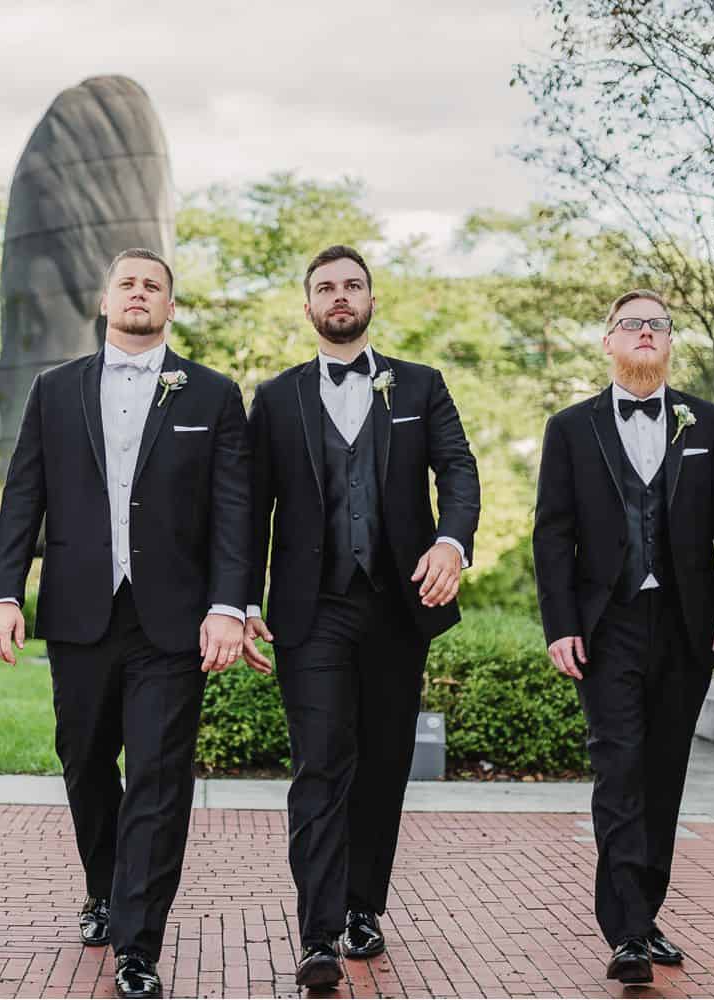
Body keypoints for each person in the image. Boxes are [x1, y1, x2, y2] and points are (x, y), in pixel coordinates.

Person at [0, 248, 250, 1000]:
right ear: (106, 301)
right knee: (84, 759)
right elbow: (23, 498)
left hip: (174, 620)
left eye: (153, 285)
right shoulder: (55, 390)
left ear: (170, 305)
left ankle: (138, 943)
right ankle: (104, 887)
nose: (139, 293)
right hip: (78, 611)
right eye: (128, 283)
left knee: (160, 778)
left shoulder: (212, 394)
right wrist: (5, 592)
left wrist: (229, 605)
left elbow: (235, 509)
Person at [242, 245, 480, 989]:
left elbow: (460, 470)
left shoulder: (421, 385)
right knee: (319, 763)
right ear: (308, 305)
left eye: (351, 286)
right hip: (311, 612)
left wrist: (452, 540)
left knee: (382, 764)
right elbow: (250, 508)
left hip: (396, 606)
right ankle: (317, 934)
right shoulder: (276, 398)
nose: (339, 297)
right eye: (325, 288)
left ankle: (361, 906)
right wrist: (244, 598)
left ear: (371, 300)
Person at [532, 289, 714, 984]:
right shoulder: (571, 428)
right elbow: (552, 534)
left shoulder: (709, 423)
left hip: (688, 627)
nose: (643, 334)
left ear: (669, 344)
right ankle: (627, 931)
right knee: (620, 771)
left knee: (664, 775)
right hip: (609, 626)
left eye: (656, 325)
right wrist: (561, 624)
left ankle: (646, 912)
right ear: (608, 342)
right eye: (630, 324)